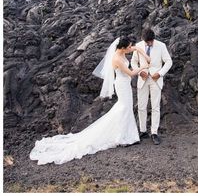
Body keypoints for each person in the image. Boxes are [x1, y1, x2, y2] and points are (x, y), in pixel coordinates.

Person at [30, 37, 150, 165]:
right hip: (121, 84)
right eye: (128, 47)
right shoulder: (116, 58)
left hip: (125, 84)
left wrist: (141, 52)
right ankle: (123, 137)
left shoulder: (122, 52)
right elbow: (130, 73)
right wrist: (143, 67)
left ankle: (127, 136)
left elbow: (134, 48)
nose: (130, 49)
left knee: (124, 108)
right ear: (122, 47)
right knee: (124, 108)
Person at [131, 29, 173, 145]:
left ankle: (154, 132)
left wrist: (160, 73)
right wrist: (139, 72)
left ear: (153, 39)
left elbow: (169, 61)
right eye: (147, 42)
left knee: (155, 107)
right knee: (141, 106)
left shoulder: (161, 46)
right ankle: (143, 131)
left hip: (156, 79)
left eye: (151, 42)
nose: (149, 44)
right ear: (143, 40)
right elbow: (133, 62)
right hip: (142, 79)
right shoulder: (138, 46)